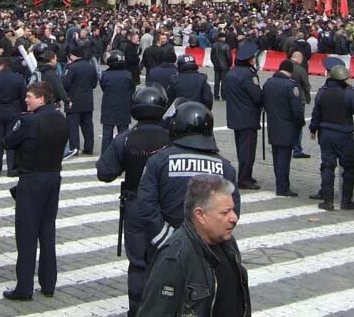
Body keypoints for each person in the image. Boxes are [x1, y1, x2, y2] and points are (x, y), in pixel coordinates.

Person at [96, 85, 172, 317]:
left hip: (136, 205)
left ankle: (137, 310)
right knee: (167, 261)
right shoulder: (173, 138)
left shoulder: (125, 139)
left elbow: (105, 172)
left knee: (138, 263)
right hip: (165, 207)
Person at [137, 173, 251, 317]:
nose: (234, 218)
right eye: (225, 212)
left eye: (232, 210)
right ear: (200, 215)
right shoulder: (174, 258)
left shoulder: (228, 243)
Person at [137, 101, 241, 253]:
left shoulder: (158, 161)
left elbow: (146, 205)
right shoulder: (225, 168)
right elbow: (232, 211)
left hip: (165, 250)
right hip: (210, 251)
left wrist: (168, 240)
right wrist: (207, 240)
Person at [2, 81, 69, 301]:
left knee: (27, 234)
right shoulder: (60, 118)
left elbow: (8, 142)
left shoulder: (28, 121)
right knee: (47, 232)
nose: (26, 99)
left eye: (30, 96)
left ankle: (24, 286)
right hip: (53, 177)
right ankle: (49, 283)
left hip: (32, 178)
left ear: (41, 98)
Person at [308, 64, 354, 210]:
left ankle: (328, 201)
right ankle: (346, 201)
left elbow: (316, 114)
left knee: (327, 166)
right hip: (344, 135)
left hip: (326, 135)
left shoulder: (322, 92)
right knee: (349, 167)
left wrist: (313, 129)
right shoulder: (348, 93)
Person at [223, 40, 263, 190]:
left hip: (235, 116)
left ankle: (246, 174)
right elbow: (257, 96)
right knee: (247, 151)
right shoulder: (248, 75)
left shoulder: (232, 72)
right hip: (248, 117)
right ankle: (245, 178)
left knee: (242, 148)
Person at [261, 59, 303, 196]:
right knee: (284, 159)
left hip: (273, 125)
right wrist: (300, 122)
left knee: (276, 157)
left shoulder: (268, 83)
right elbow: (296, 109)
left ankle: (280, 183)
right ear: (291, 71)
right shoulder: (291, 86)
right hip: (288, 127)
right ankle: (283, 187)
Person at [0, 57, 27, 173]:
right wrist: (24, 110)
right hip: (13, 111)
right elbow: (23, 97)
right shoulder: (19, 79)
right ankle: (11, 168)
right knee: (12, 139)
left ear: (1, 65)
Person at [62, 45, 98, 156]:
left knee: (73, 126)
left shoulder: (71, 67)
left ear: (73, 55)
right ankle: (89, 147)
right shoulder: (91, 67)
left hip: (73, 100)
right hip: (87, 100)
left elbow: (65, 84)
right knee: (87, 125)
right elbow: (94, 84)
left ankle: (74, 147)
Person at [100, 50, 134, 154]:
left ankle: (106, 155)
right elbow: (132, 90)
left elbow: (104, 87)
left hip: (108, 106)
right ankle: (123, 154)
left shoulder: (104, 75)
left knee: (107, 133)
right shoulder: (128, 75)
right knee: (123, 133)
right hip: (124, 106)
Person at [210, 30, 231, 101]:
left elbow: (211, 56)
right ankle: (223, 95)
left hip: (216, 66)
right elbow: (229, 57)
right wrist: (229, 64)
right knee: (224, 82)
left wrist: (214, 63)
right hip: (225, 66)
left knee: (217, 81)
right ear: (223, 38)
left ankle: (216, 96)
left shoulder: (214, 45)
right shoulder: (226, 46)